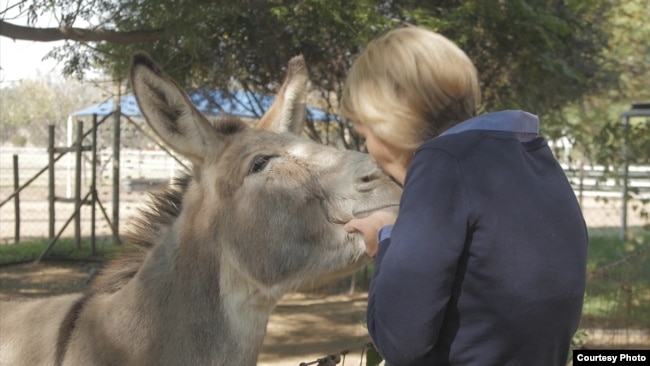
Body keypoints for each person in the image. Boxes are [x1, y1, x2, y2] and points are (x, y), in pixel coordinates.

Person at [340, 26, 588, 366]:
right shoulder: (532, 155)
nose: (369, 154)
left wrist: (387, 238)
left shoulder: (441, 161)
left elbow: (398, 339)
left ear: (387, 120)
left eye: (363, 132)